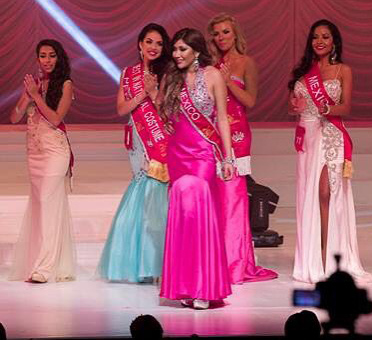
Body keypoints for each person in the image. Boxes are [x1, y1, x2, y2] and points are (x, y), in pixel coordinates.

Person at [289, 19, 370, 283]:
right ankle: (314, 260)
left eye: (325, 36)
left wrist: (323, 108)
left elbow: (345, 107)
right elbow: (294, 108)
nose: (320, 41)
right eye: (315, 37)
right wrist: (296, 108)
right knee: (311, 196)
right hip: (308, 138)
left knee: (327, 192)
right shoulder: (304, 74)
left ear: (334, 41)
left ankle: (330, 257)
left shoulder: (342, 70)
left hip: (332, 134)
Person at [159, 28, 233, 310]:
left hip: (203, 155)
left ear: (197, 52)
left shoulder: (213, 75)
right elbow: (165, 118)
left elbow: (223, 119)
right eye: (175, 50)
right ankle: (186, 287)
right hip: (178, 155)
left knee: (199, 213)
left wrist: (228, 158)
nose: (176, 55)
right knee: (184, 218)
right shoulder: (171, 78)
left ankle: (205, 286)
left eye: (182, 50)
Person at [96, 23, 171, 283]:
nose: (154, 47)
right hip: (139, 137)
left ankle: (158, 263)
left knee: (158, 193)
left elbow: (168, 113)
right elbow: (120, 108)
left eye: (159, 43)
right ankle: (141, 263)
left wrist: (153, 92)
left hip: (161, 137)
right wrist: (142, 94)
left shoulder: (169, 72)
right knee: (142, 187)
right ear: (140, 44)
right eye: (149, 41)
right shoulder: (128, 73)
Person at [207, 13, 277, 283]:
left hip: (238, 134)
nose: (221, 37)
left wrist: (227, 82)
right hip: (215, 133)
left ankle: (236, 263)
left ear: (235, 34)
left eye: (225, 32)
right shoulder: (211, 64)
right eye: (217, 33)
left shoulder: (247, 63)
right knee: (218, 197)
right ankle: (217, 258)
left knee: (235, 197)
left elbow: (250, 100)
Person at [9, 39, 75, 283]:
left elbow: (56, 119)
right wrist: (27, 97)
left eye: (51, 55)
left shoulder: (65, 84)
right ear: (37, 59)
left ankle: (45, 269)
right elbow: (15, 117)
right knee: (41, 207)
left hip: (55, 151)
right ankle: (43, 262)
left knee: (47, 201)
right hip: (35, 153)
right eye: (43, 56)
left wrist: (37, 97)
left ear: (59, 58)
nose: (47, 60)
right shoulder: (34, 85)